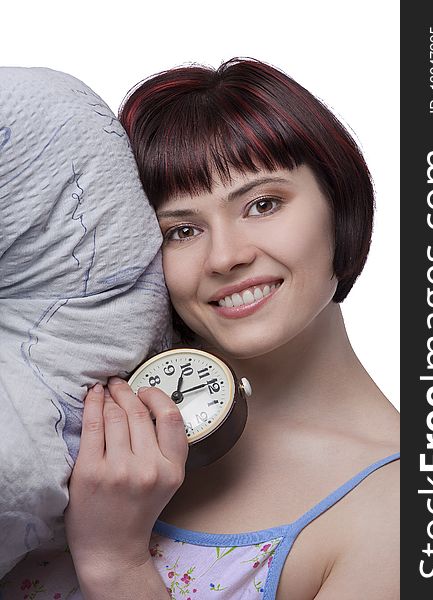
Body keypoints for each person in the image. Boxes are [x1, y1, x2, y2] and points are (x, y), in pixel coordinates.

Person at [3, 58, 399, 600]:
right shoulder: (69, 400)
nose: (226, 257)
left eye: (263, 204)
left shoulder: (404, 512)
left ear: (341, 203)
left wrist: (115, 563)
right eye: (181, 230)